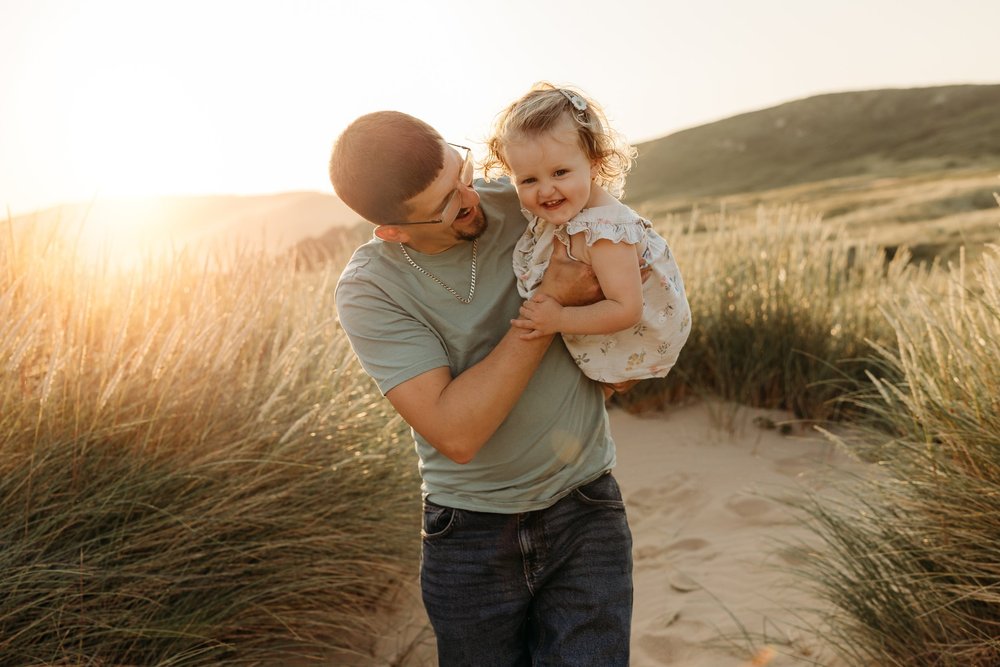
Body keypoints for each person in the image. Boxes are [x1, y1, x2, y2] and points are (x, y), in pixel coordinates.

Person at [330, 110, 633, 665]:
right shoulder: (370, 290)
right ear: (393, 231)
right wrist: (549, 305)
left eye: (462, 172)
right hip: (468, 534)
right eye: (446, 204)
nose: (471, 197)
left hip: (586, 504)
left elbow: (631, 261)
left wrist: (620, 364)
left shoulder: (531, 201)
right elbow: (457, 431)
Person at [484, 83, 692, 384]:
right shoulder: (572, 211)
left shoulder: (605, 233)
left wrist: (559, 319)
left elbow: (627, 310)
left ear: (594, 164)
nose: (545, 190)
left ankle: (615, 381)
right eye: (528, 179)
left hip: (639, 341)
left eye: (560, 173)